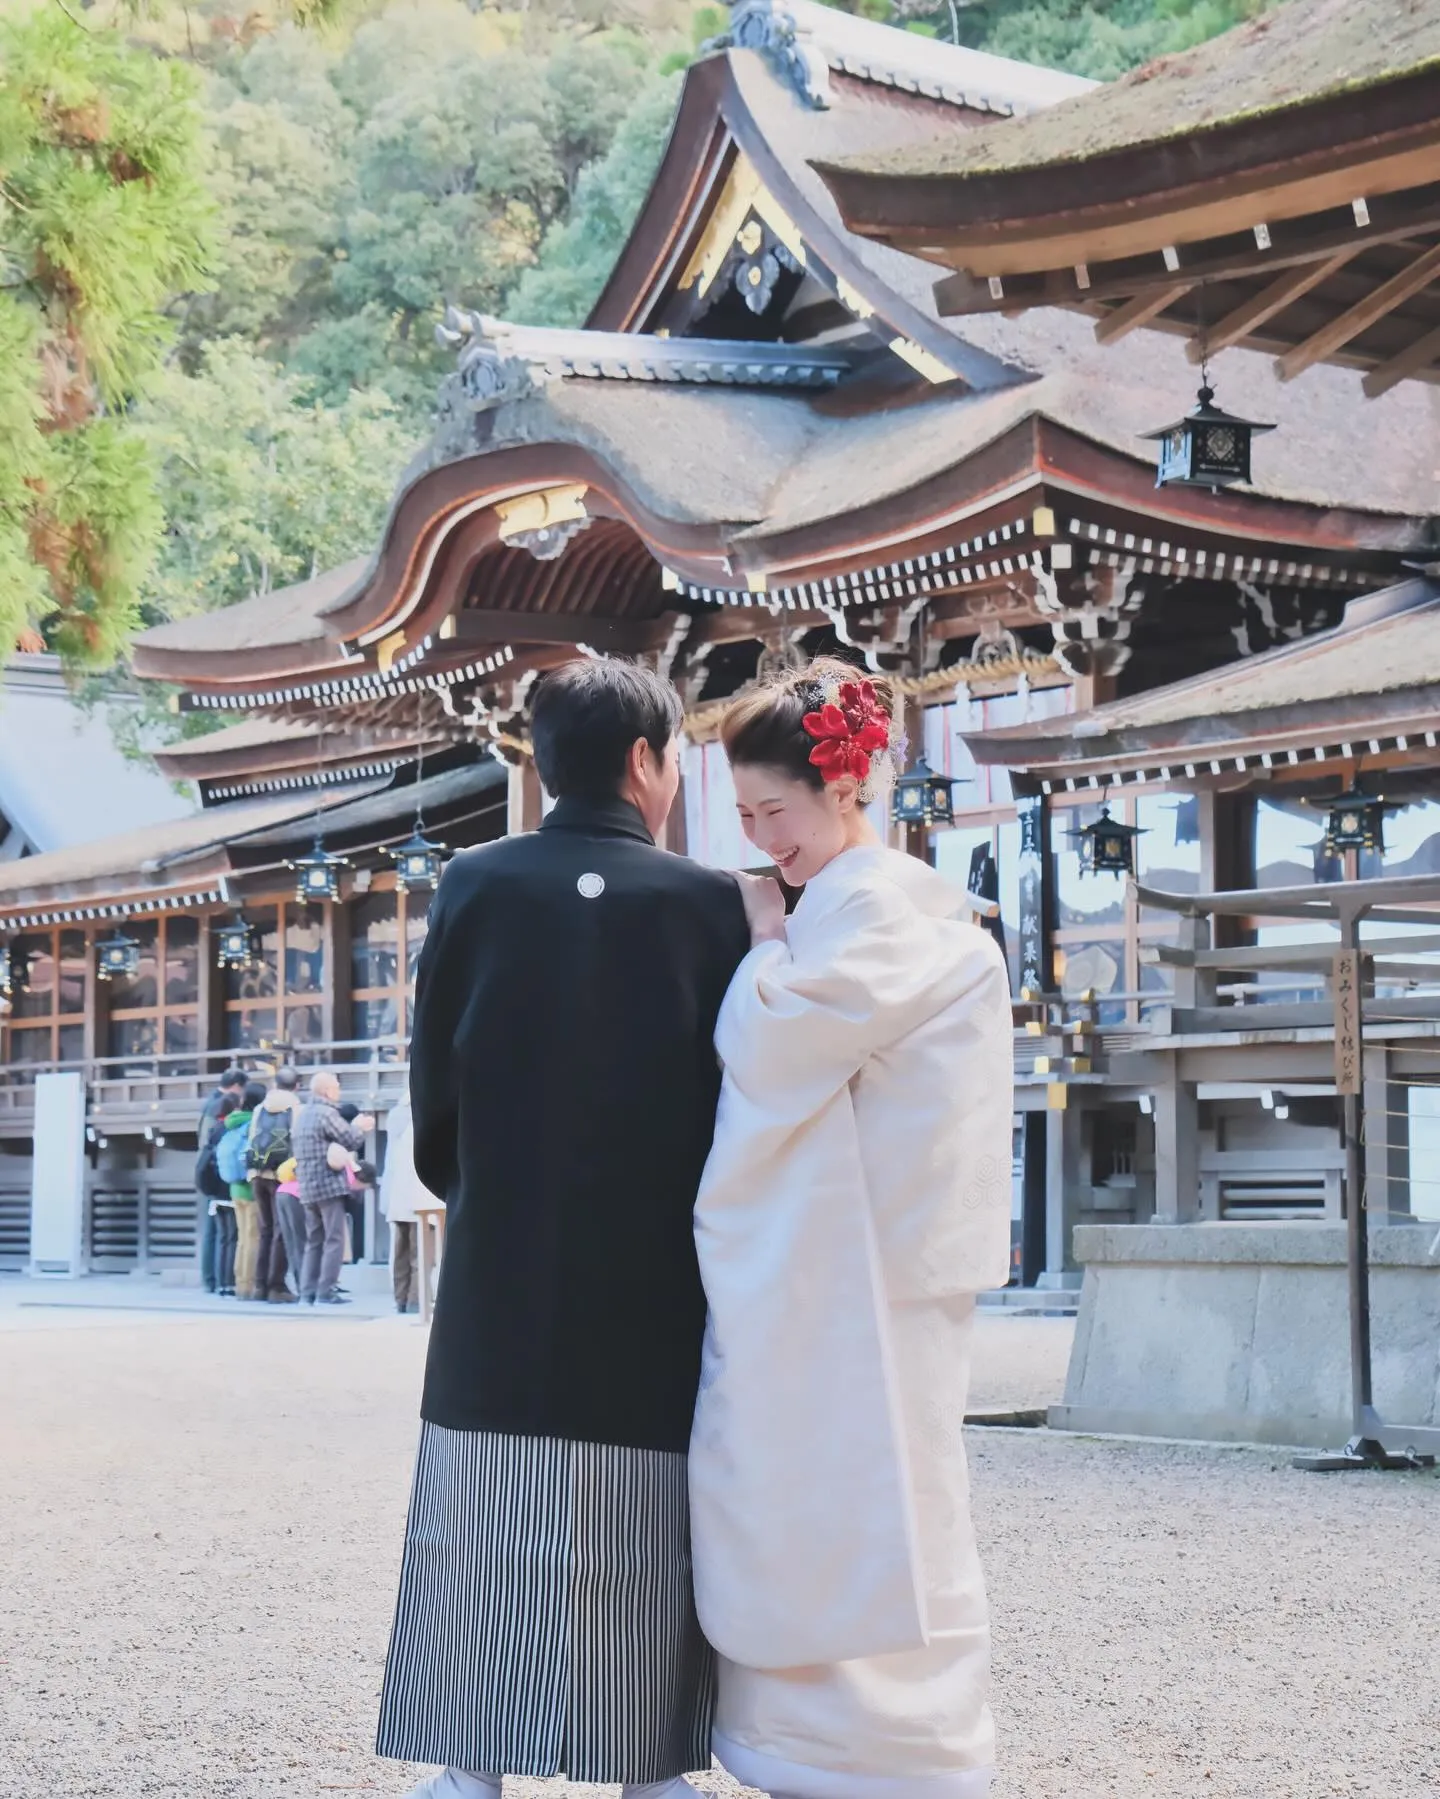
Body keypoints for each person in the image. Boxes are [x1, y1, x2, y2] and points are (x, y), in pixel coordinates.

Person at [375, 660, 750, 1799]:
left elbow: (434, 1072)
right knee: (642, 1502)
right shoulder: (707, 900)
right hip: (652, 1251)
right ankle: (645, 1767)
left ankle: (472, 1761)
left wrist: (476, 1178)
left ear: (544, 762)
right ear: (646, 761)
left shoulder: (475, 881)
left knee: (483, 1490)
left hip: (504, 1243)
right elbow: (734, 1087)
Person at [690, 661, 1015, 1799]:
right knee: (865, 1488)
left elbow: (778, 1047)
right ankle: (858, 1740)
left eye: (775, 812)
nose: (763, 838)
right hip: (866, 1250)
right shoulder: (885, 903)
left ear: (844, 785)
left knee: (852, 1486)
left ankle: (872, 1747)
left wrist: (765, 943)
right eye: (744, 818)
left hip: (853, 1260)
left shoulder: (873, 906)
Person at [294, 1071, 373, 1305]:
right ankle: (325, 1292)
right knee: (334, 1239)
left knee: (314, 1240)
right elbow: (350, 1139)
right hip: (328, 1184)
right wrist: (359, 1126)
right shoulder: (327, 1113)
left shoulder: (303, 1114)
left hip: (307, 1186)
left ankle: (306, 1292)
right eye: (336, 1087)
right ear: (327, 1091)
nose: (338, 1091)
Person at [249, 1065, 302, 1304]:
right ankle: (276, 1286)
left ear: (275, 1084)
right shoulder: (295, 1107)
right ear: (297, 1085)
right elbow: (297, 1142)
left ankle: (259, 1285)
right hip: (281, 1175)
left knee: (265, 1231)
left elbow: (252, 1138)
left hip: (256, 1173)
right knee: (282, 1231)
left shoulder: (261, 1107)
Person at [378, 1092, 432, 1315]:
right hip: (419, 1199)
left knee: (400, 1253)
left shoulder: (395, 1116)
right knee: (420, 1254)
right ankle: (416, 1300)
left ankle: (400, 1298)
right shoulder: (420, 1122)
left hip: (396, 1198)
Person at [217, 1079, 267, 1301]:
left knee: (242, 1239)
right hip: (250, 1186)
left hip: (234, 1188)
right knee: (253, 1238)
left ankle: (239, 1284)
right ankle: (249, 1286)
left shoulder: (232, 1122)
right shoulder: (253, 1123)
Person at [196, 1066, 245, 1291]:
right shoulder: (219, 1108)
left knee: (217, 1232)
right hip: (219, 1178)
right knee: (219, 1232)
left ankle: (213, 1280)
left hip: (211, 1175)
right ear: (235, 1086)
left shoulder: (212, 1103)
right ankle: (212, 1279)